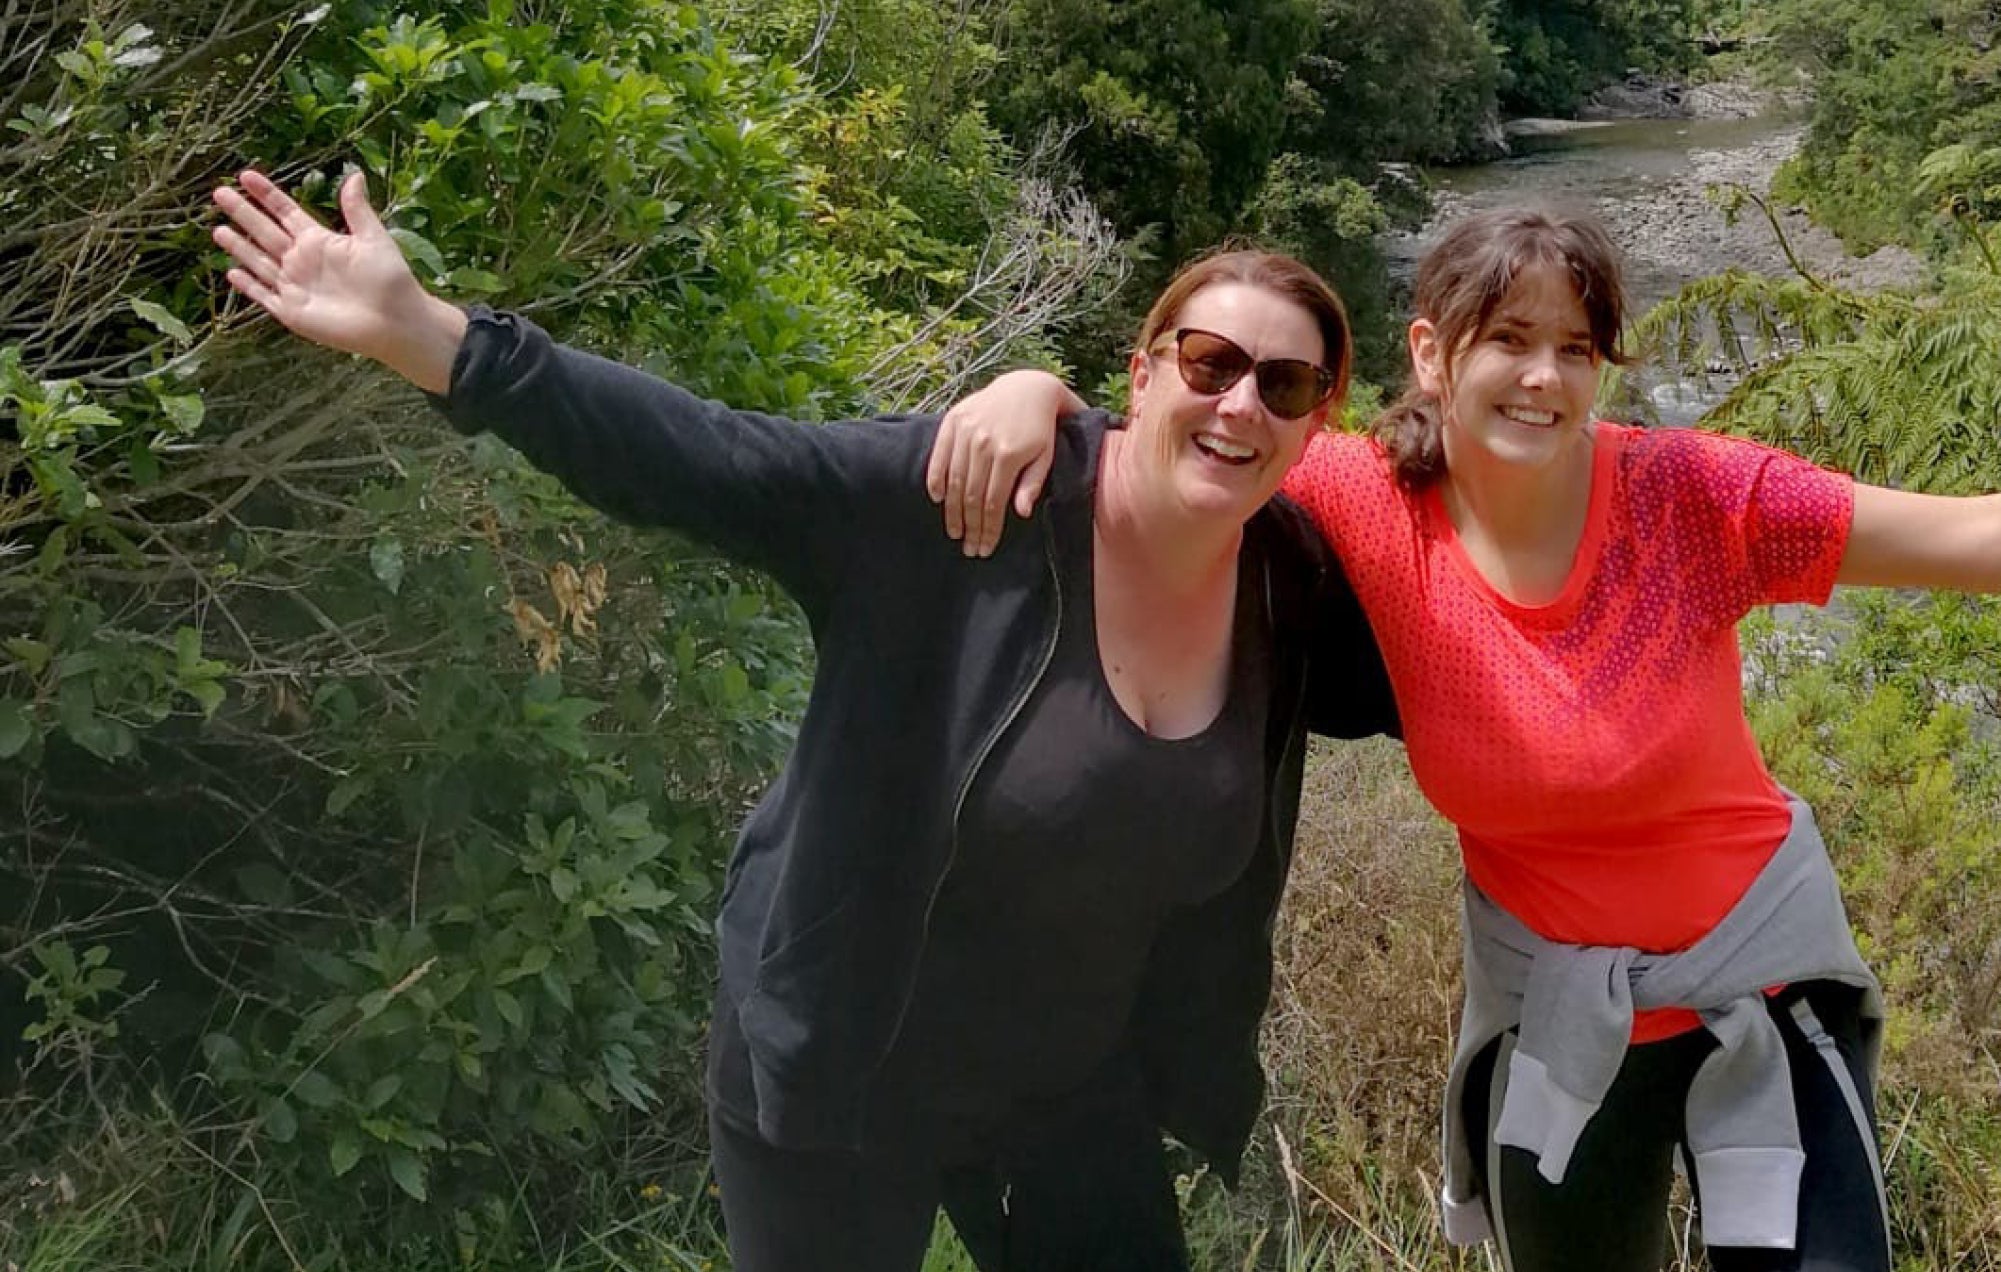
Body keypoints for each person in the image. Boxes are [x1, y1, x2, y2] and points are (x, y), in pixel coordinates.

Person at [930, 205, 2001, 1272]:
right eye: (1504, 338)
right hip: (1552, 1016)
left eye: (1575, 348)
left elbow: (1973, 534)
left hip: (1759, 989)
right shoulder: (1357, 502)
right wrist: (1029, 386)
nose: (1540, 374)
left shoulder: (1695, 500)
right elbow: (1189, 431)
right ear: (1428, 352)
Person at [208, 167, 1398, 1272]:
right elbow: (718, 463)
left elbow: (1469, 681)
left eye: (1281, 383)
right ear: (1141, 371)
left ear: (1315, 416)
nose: (1239, 402)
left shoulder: (1286, 582)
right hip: (846, 1061)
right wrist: (440, 343)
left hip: (1066, 1087)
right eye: (1208, 360)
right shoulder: (969, 502)